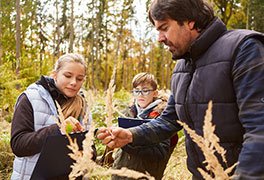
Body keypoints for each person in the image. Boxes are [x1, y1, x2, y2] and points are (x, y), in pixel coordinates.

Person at [97, 0, 264, 179]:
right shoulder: (182, 67)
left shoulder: (244, 49)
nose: (160, 38)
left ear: (190, 21)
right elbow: (168, 121)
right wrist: (131, 135)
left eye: (164, 28)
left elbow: (259, 131)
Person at [10, 53, 95, 180]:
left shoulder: (83, 105)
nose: (73, 82)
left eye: (79, 78)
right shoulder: (30, 98)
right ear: (54, 74)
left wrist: (89, 152)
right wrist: (59, 129)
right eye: (68, 76)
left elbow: (90, 148)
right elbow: (18, 145)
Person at [112, 72, 178, 180]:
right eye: (136, 91)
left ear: (155, 93)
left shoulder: (163, 118)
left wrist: (127, 141)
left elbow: (160, 153)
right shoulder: (127, 113)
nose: (140, 94)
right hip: (120, 174)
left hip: (146, 175)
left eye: (145, 90)